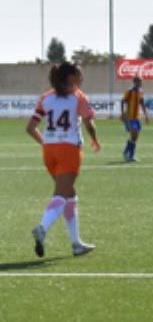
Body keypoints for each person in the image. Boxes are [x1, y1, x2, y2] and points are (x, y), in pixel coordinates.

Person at [27, 62, 100, 257]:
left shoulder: (46, 97)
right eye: (78, 73)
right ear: (70, 77)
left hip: (49, 152)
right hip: (69, 149)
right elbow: (88, 122)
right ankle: (42, 228)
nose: (81, 77)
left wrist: (45, 143)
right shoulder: (78, 97)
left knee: (69, 194)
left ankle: (76, 243)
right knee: (61, 194)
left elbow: (30, 127)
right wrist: (94, 139)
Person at [121, 76, 148, 162]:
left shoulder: (141, 91)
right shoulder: (130, 91)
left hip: (137, 118)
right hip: (130, 117)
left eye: (141, 82)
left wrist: (145, 115)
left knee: (135, 137)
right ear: (135, 82)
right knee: (134, 135)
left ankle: (129, 154)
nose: (141, 83)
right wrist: (122, 114)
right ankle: (128, 154)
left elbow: (142, 103)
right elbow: (123, 101)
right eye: (140, 82)